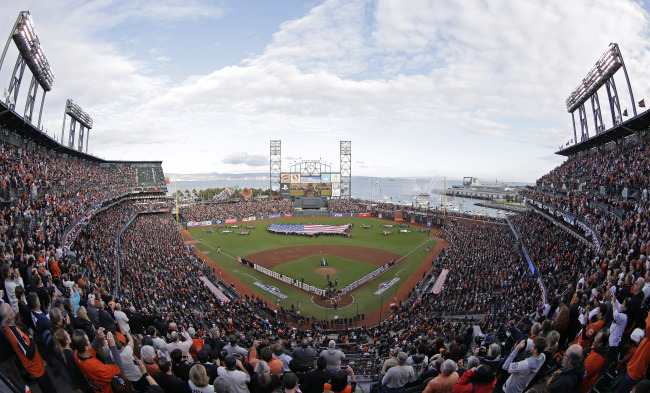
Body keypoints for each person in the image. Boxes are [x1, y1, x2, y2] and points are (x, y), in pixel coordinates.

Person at [0, 303, 57, 393]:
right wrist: (31, 339)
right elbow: (28, 353)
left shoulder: (11, 327)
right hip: (35, 367)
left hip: (37, 365)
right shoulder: (14, 333)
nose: (12, 309)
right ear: (9, 317)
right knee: (48, 388)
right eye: (10, 309)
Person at [72, 327, 123, 393]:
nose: (89, 342)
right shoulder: (95, 367)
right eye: (88, 340)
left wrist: (98, 338)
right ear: (86, 347)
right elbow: (119, 369)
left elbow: (91, 350)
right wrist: (113, 346)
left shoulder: (77, 354)